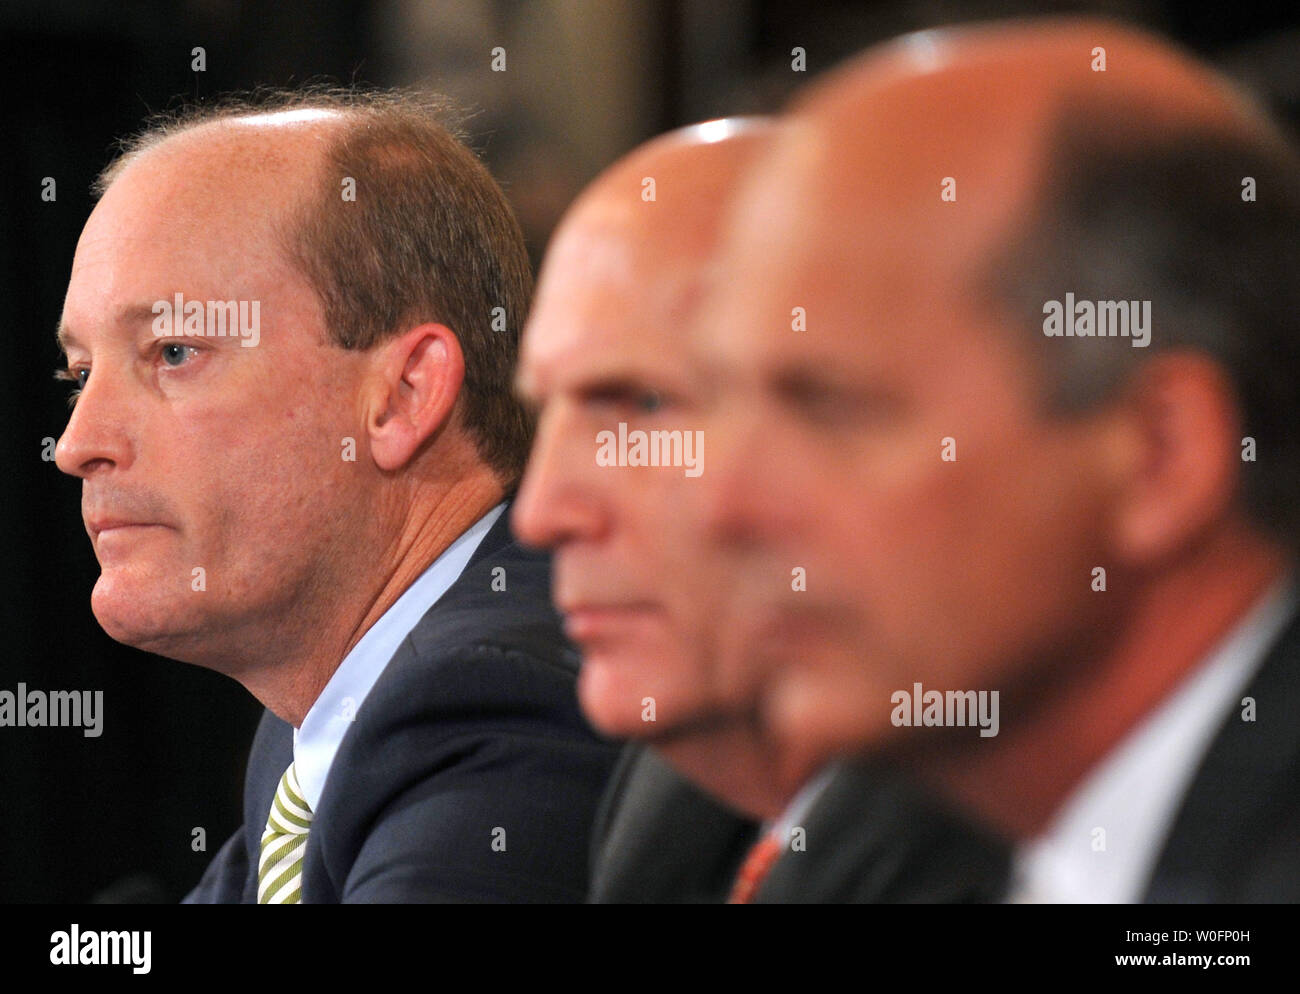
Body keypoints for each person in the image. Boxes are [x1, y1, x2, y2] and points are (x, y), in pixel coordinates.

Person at [697, 18, 1300, 901]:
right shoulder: (940, 836)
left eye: (831, 409)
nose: (722, 507)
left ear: (1160, 454)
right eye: (720, 405)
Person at [54, 91, 619, 903]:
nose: (78, 444)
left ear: (403, 394)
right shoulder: (317, 722)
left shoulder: (492, 707)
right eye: (78, 377)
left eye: (173, 352)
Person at [513, 119, 1005, 903]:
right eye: (548, 414)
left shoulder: (1016, 843)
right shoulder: (673, 787)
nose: (541, 515)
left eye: (642, 404)